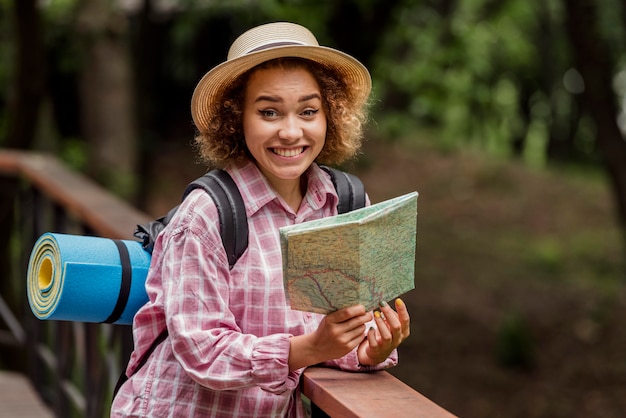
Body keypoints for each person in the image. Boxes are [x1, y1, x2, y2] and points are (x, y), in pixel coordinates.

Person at [111, 21, 410, 417]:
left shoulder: (345, 203)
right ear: (237, 119)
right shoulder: (207, 213)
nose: (290, 131)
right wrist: (310, 348)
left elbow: (334, 334)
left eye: (308, 111)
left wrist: (369, 349)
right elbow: (202, 350)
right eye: (269, 112)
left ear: (330, 115)